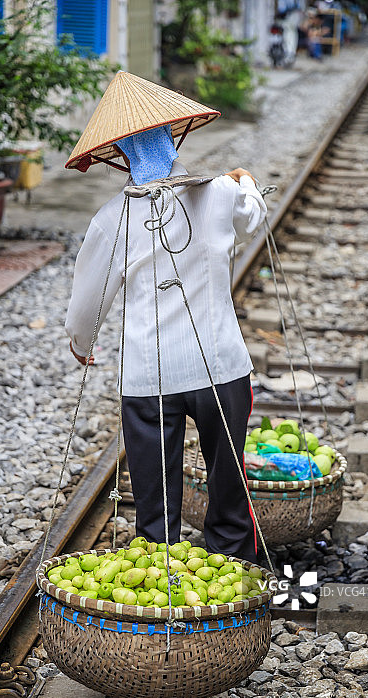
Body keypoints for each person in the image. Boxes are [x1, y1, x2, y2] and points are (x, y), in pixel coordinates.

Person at [64, 72, 267, 563]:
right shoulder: (219, 192)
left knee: (155, 507)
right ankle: (234, 587)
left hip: (149, 379)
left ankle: (161, 587)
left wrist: (81, 341)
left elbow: (88, 302)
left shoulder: (112, 218)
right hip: (221, 368)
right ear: (174, 135)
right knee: (228, 490)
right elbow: (253, 217)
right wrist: (248, 182)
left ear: (122, 155)